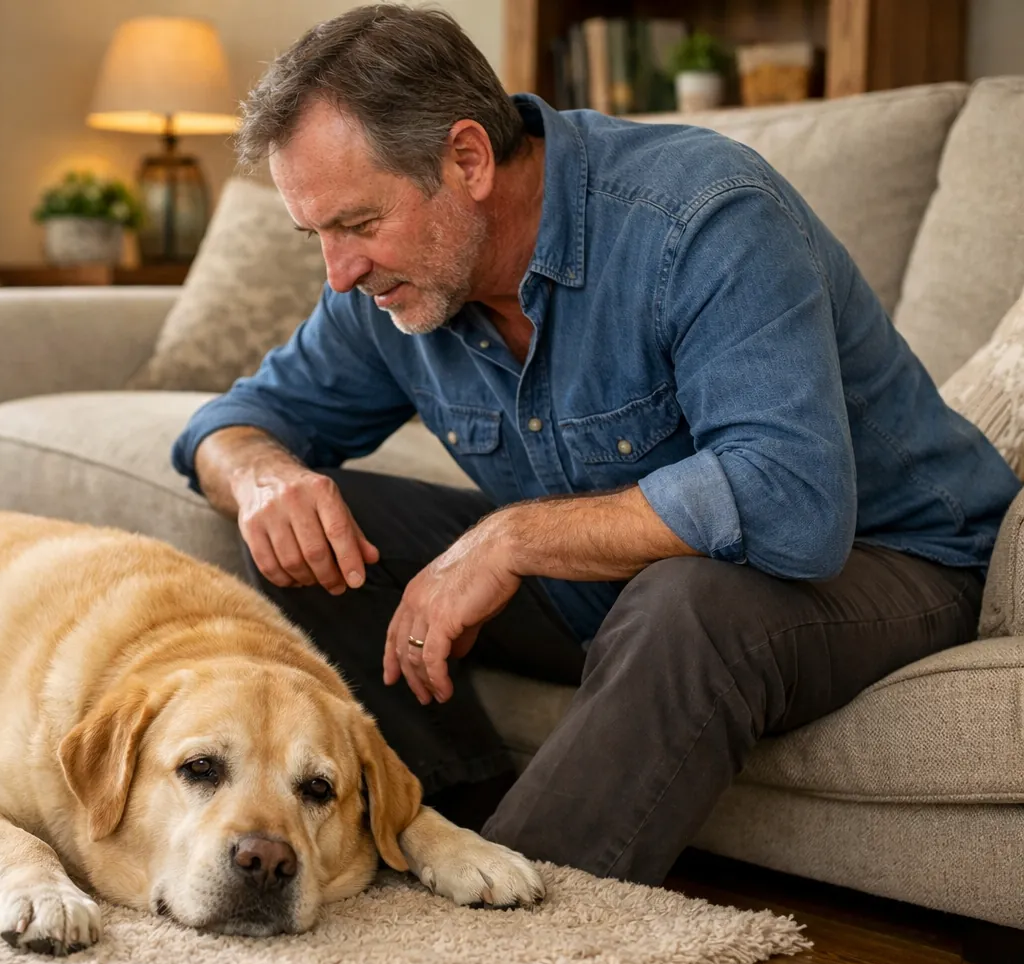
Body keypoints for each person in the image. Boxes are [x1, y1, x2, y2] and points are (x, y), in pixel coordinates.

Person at [169, 4, 1020, 886]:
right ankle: (456, 827)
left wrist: (512, 538)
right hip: (620, 587)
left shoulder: (700, 216)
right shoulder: (384, 291)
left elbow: (791, 501)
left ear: (467, 160)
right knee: (306, 537)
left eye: (357, 224)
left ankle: (536, 925)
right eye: (317, 236)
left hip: (890, 564)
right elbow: (229, 425)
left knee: (687, 600)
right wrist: (263, 477)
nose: (339, 272)